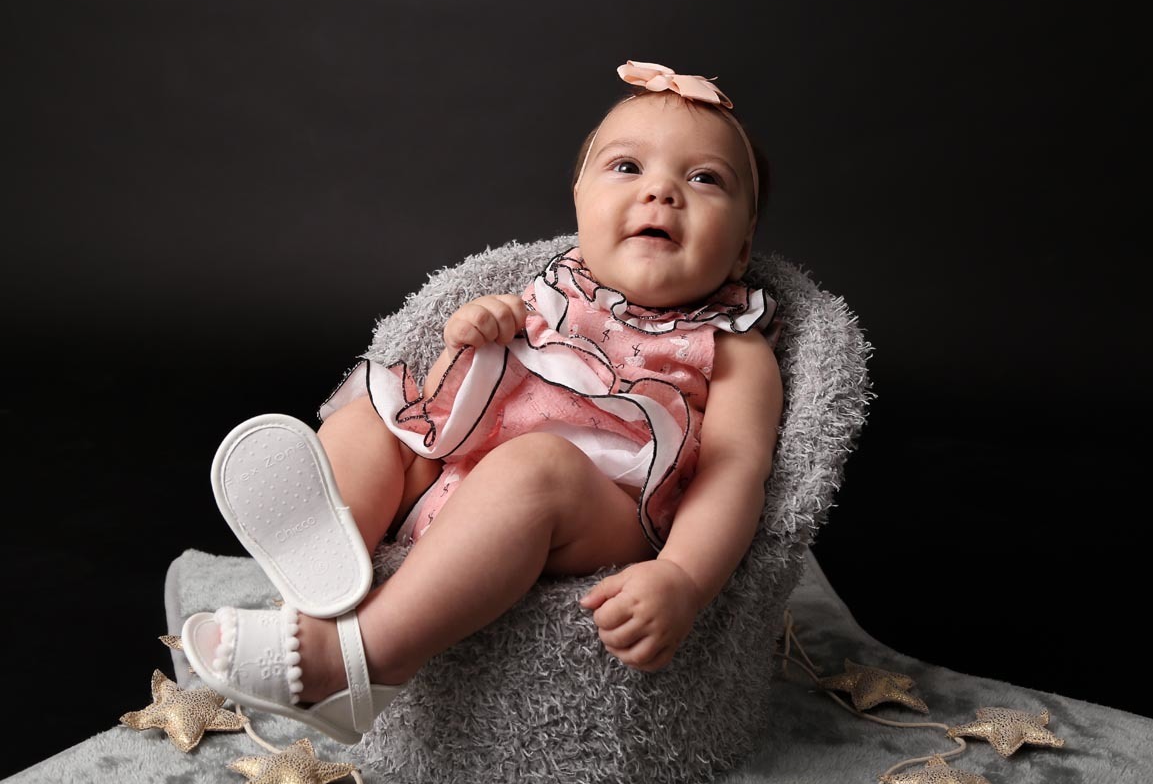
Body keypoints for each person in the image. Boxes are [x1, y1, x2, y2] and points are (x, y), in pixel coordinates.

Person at [181, 60, 785, 745]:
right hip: (467, 474)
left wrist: (682, 578)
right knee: (376, 418)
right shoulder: (553, 291)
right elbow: (463, 407)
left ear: (742, 248)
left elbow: (734, 473)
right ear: (581, 206)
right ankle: (326, 577)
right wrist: (473, 341)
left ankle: (360, 665)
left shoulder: (733, 347)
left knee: (539, 466)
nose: (661, 192)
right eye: (626, 167)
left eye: (704, 179)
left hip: (604, 509)